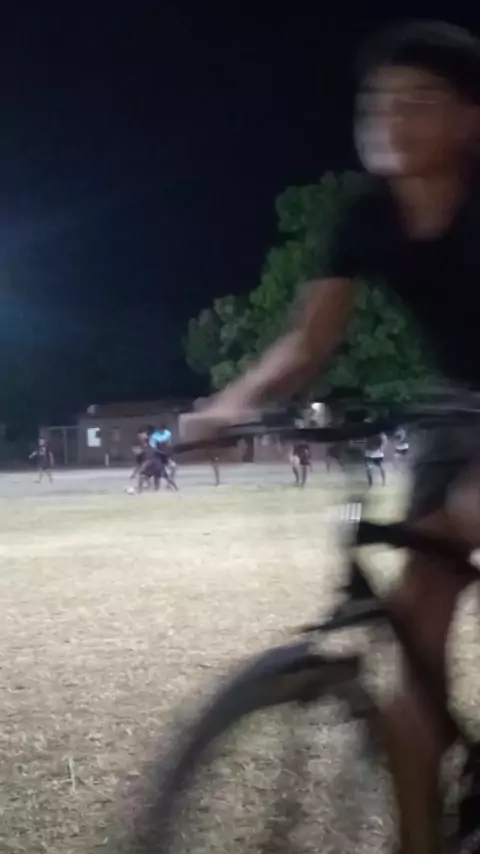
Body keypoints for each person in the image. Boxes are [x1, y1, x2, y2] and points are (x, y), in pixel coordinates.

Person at [182, 21, 480, 852]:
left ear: (471, 117)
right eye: (377, 100)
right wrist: (230, 403)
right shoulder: (367, 214)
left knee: (471, 506)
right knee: (414, 664)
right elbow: (309, 341)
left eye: (418, 99)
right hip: (454, 411)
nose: (391, 116)